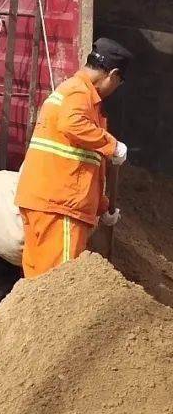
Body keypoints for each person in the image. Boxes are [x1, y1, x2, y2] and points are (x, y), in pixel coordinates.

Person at [15, 37, 132, 278]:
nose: (115, 89)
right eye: (118, 82)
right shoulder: (81, 92)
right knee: (62, 280)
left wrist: (103, 207)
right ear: (113, 74)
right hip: (61, 207)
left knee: (39, 281)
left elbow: (83, 164)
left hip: (44, 200)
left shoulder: (73, 92)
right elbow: (72, 124)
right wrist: (112, 145)